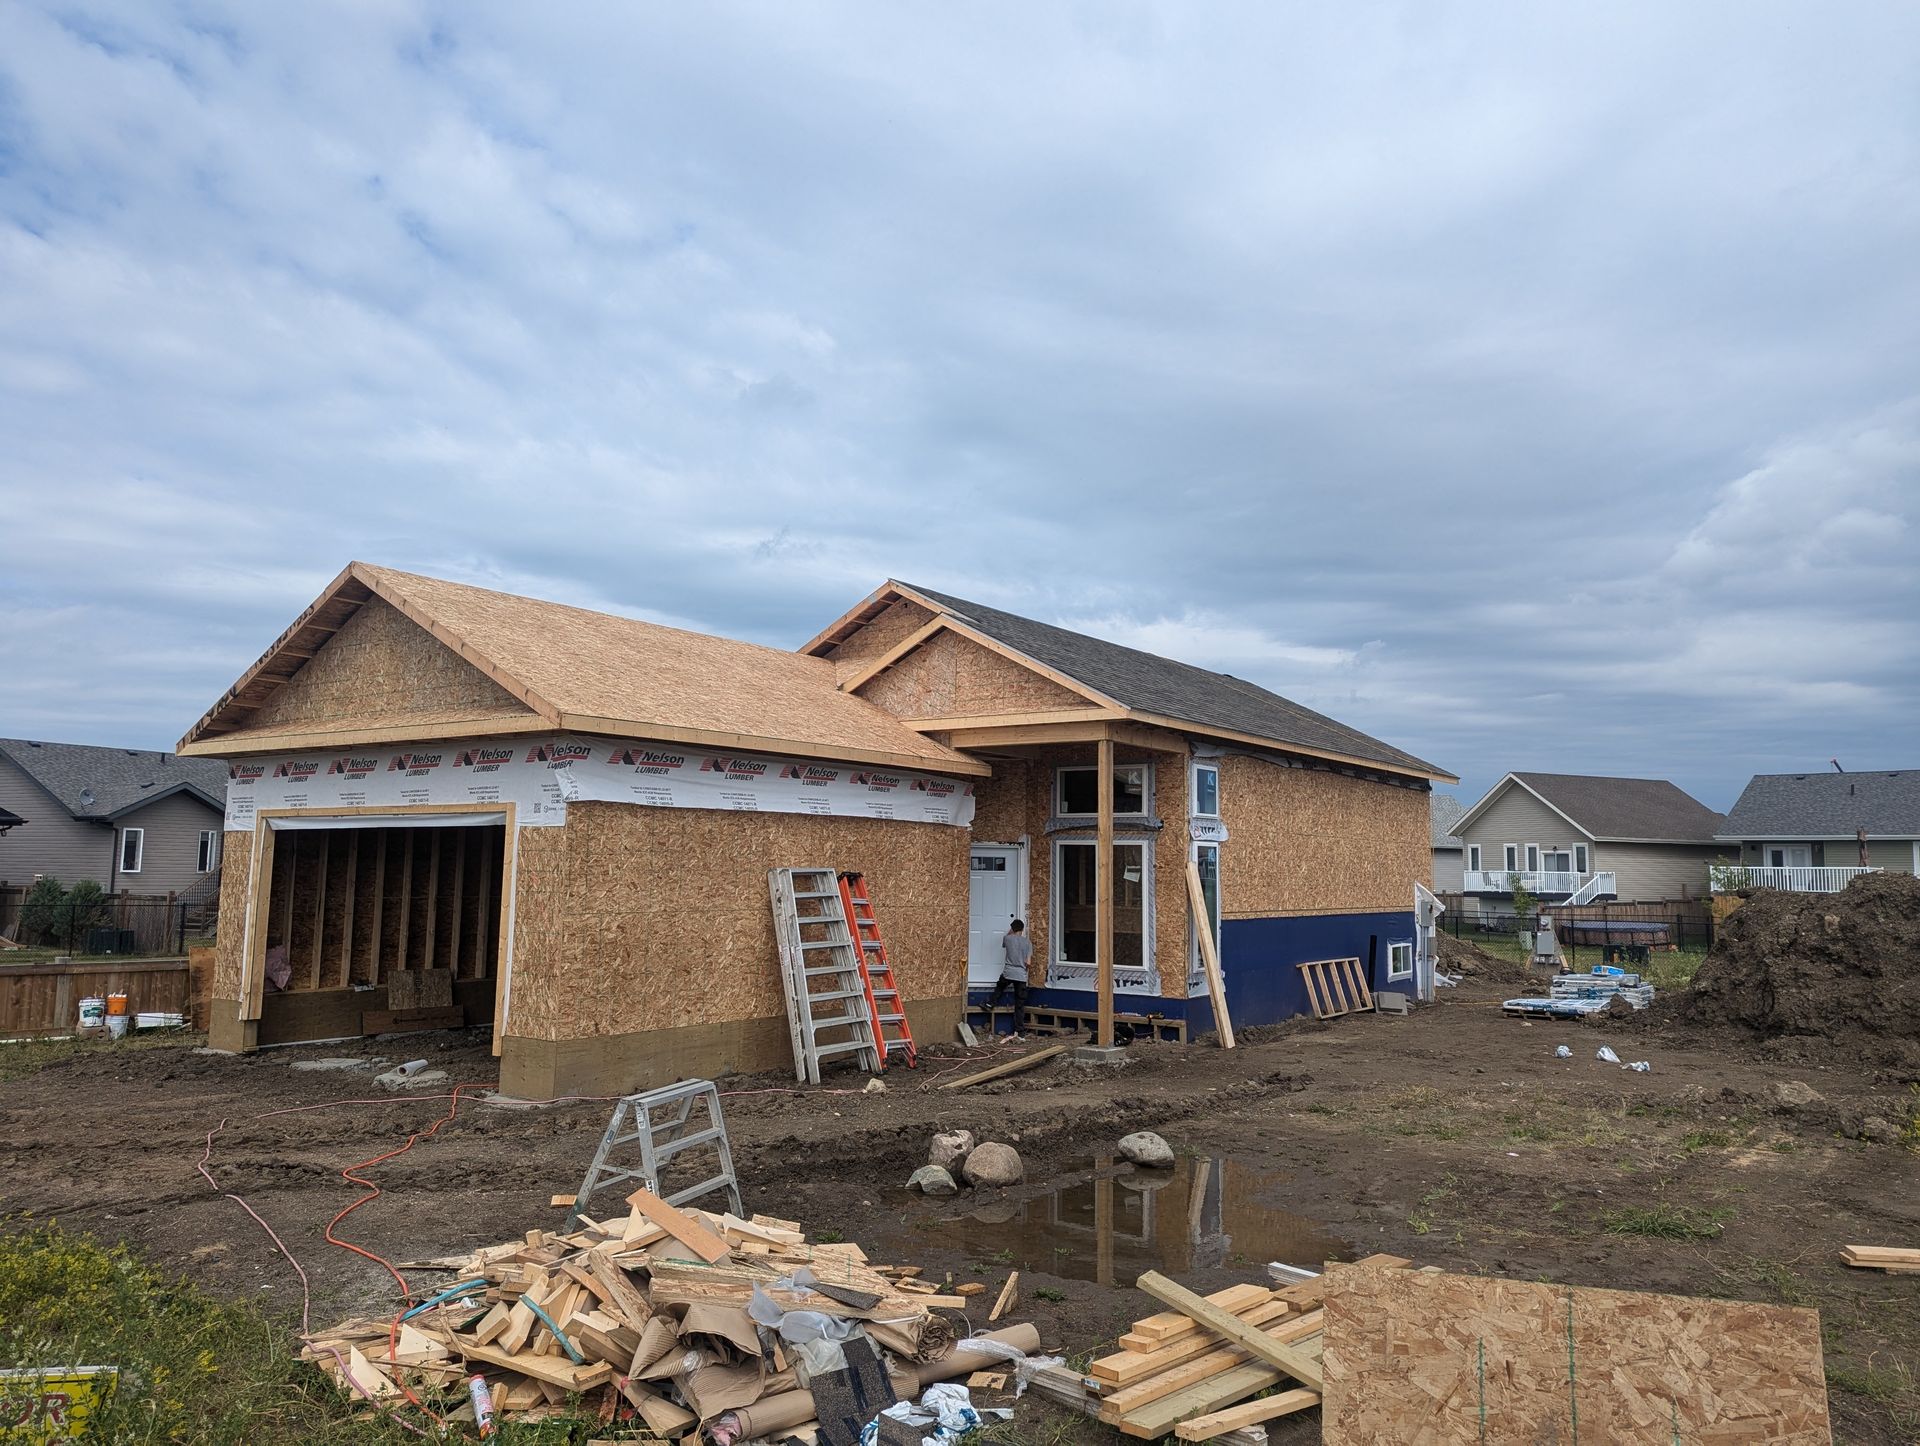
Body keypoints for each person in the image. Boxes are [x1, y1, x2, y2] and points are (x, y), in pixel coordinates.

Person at [986, 919, 1031, 1028]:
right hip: (1021, 975)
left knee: (1000, 986)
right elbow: (1028, 962)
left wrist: (1011, 931)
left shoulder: (1007, 938)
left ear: (1012, 928)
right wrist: (1024, 972)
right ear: (1022, 929)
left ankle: (990, 1003)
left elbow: (1007, 939)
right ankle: (1020, 1031)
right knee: (1019, 1004)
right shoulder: (1027, 942)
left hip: (1009, 972)